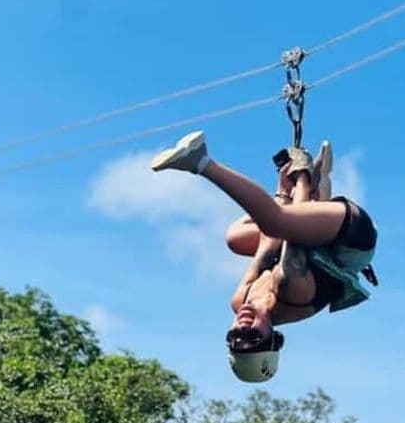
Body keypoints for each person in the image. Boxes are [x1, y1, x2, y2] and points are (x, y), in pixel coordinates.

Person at [151, 130, 377, 383]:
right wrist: (301, 176)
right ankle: (200, 161)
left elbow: (267, 246)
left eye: (234, 337)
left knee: (235, 238)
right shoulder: (293, 293)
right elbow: (289, 230)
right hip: (351, 239)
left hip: (308, 241)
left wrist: (282, 191)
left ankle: (320, 181)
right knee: (278, 222)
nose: (243, 328)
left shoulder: (240, 300)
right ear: (273, 338)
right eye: (253, 337)